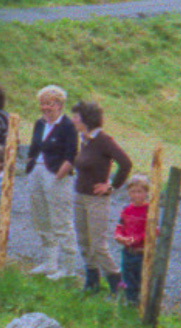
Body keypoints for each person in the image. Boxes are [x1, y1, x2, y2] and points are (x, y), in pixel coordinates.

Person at [69, 100, 132, 296]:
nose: (73, 120)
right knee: (83, 240)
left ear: (86, 119)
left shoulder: (104, 140)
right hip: (79, 195)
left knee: (98, 244)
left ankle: (117, 282)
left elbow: (126, 163)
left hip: (97, 200)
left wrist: (111, 187)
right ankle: (92, 280)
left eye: (76, 117)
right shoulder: (84, 139)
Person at [24, 85, 78, 279]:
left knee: (61, 219)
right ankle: (50, 263)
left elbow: (72, 155)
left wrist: (58, 176)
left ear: (59, 104)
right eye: (43, 103)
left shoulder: (68, 126)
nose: (45, 107)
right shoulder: (39, 124)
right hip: (36, 172)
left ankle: (69, 268)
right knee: (42, 216)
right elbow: (33, 147)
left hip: (56, 175)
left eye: (49, 104)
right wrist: (30, 164)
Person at [113, 176, 151, 307]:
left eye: (139, 191)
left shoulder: (149, 210)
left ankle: (142, 302)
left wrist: (135, 239)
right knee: (128, 277)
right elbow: (120, 227)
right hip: (128, 251)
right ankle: (130, 301)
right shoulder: (126, 209)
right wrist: (119, 237)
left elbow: (152, 231)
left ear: (146, 193)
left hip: (142, 252)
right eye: (133, 191)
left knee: (141, 277)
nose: (136, 195)